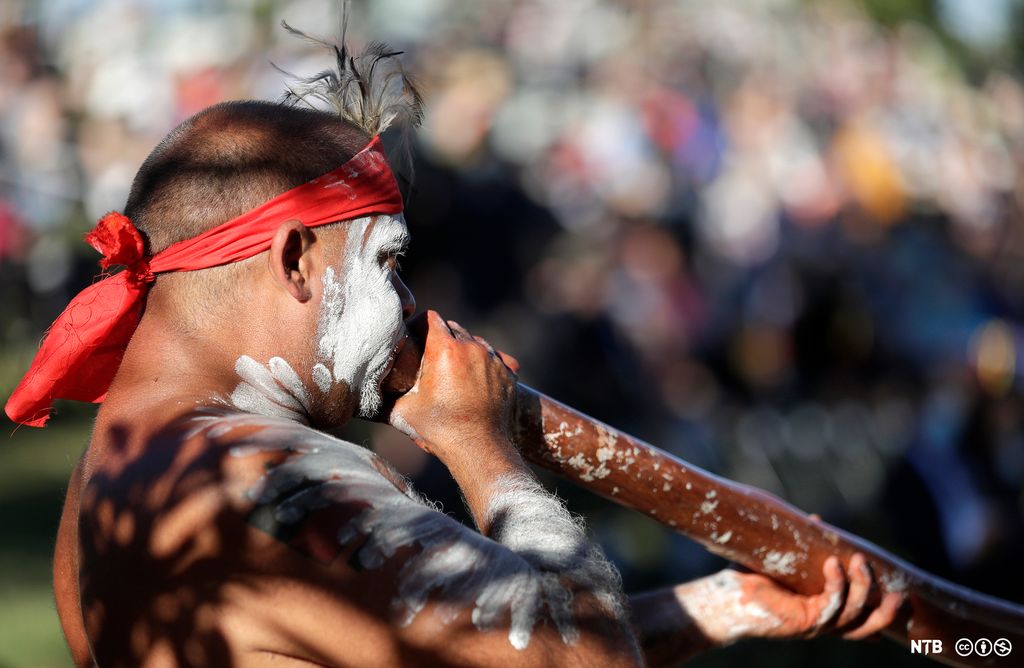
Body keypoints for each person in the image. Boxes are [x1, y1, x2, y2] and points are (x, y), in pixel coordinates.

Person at [7, 38, 903, 667]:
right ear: (295, 263)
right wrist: (480, 447)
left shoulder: (112, 469)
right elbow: (583, 661)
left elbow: (480, 641)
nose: (406, 308)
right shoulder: (262, 474)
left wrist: (731, 607)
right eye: (388, 264)